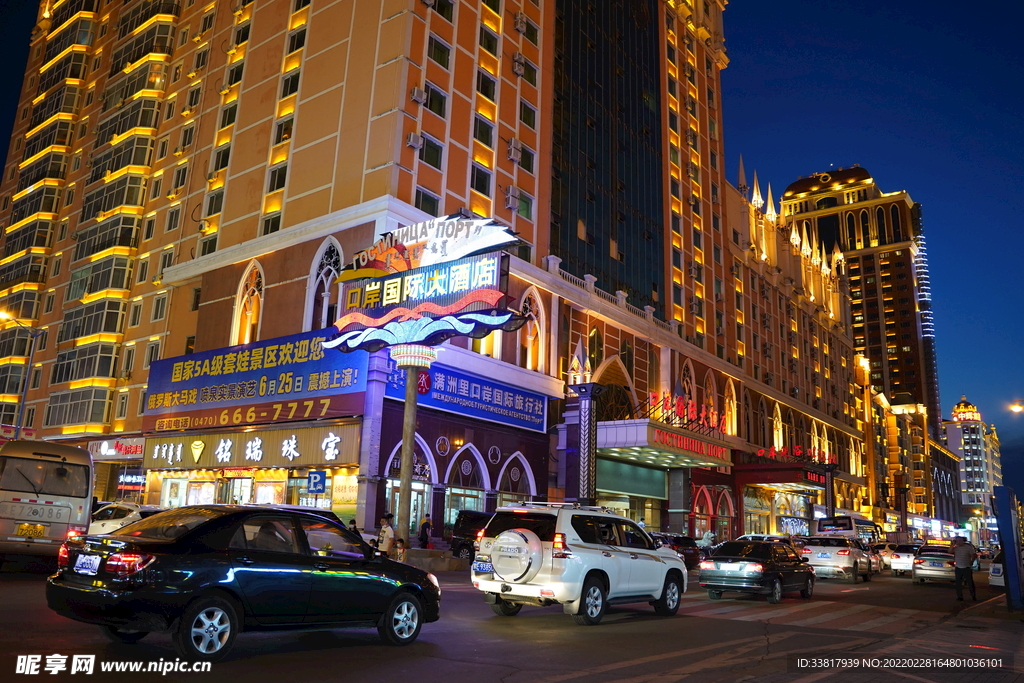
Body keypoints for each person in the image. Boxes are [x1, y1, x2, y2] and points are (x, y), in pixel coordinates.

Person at [952, 536, 978, 601]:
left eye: (960, 540)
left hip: (966, 567)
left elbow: (974, 555)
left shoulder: (968, 548)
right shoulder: (955, 548)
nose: (958, 542)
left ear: (963, 541)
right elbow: (949, 551)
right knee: (958, 583)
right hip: (958, 567)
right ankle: (960, 596)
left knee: (970, 582)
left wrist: (971, 562)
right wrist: (953, 544)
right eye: (957, 541)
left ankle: (973, 596)